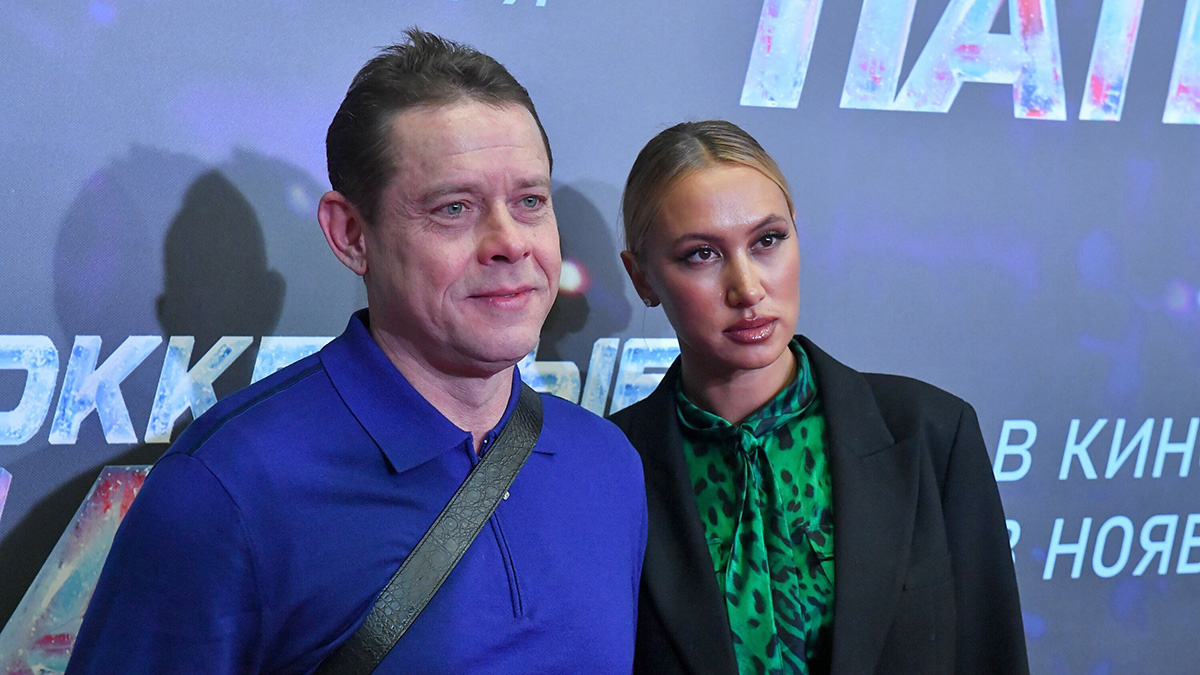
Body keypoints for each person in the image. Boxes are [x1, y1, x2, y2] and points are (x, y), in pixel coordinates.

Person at [66, 29, 646, 674]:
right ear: (350, 234)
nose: (509, 242)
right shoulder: (225, 489)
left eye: (530, 202)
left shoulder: (609, 466)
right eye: (454, 208)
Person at [609, 120, 1027, 675]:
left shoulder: (931, 433)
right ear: (641, 278)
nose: (748, 288)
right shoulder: (609, 467)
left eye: (767, 241)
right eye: (702, 254)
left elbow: (990, 653)